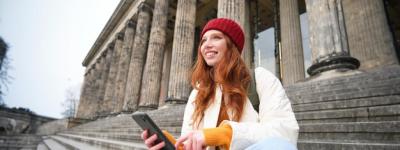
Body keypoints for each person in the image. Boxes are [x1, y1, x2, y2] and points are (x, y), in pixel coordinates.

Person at [141, 18, 299, 150]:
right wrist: (173, 145)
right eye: (203, 40)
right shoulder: (198, 92)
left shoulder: (260, 78)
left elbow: (285, 133)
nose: (206, 45)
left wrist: (223, 134)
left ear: (232, 46)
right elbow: (191, 142)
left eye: (216, 37)